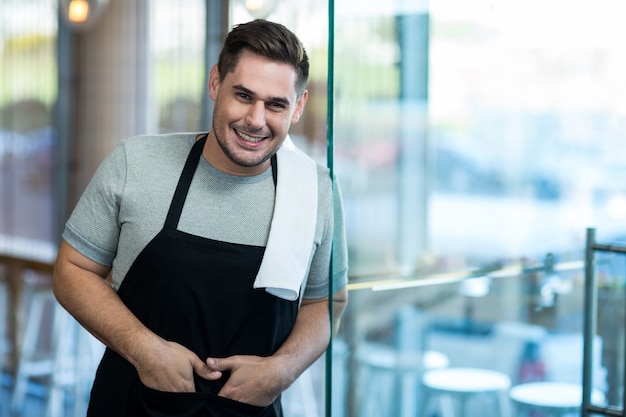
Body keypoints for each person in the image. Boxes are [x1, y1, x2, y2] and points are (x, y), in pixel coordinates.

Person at [52, 19, 348, 417]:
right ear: (215, 84)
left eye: (276, 104)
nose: (256, 120)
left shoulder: (316, 191)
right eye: (243, 95)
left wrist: (282, 371)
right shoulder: (135, 163)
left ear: (298, 107)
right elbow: (72, 271)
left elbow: (326, 302)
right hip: (131, 404)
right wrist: (147, 352)